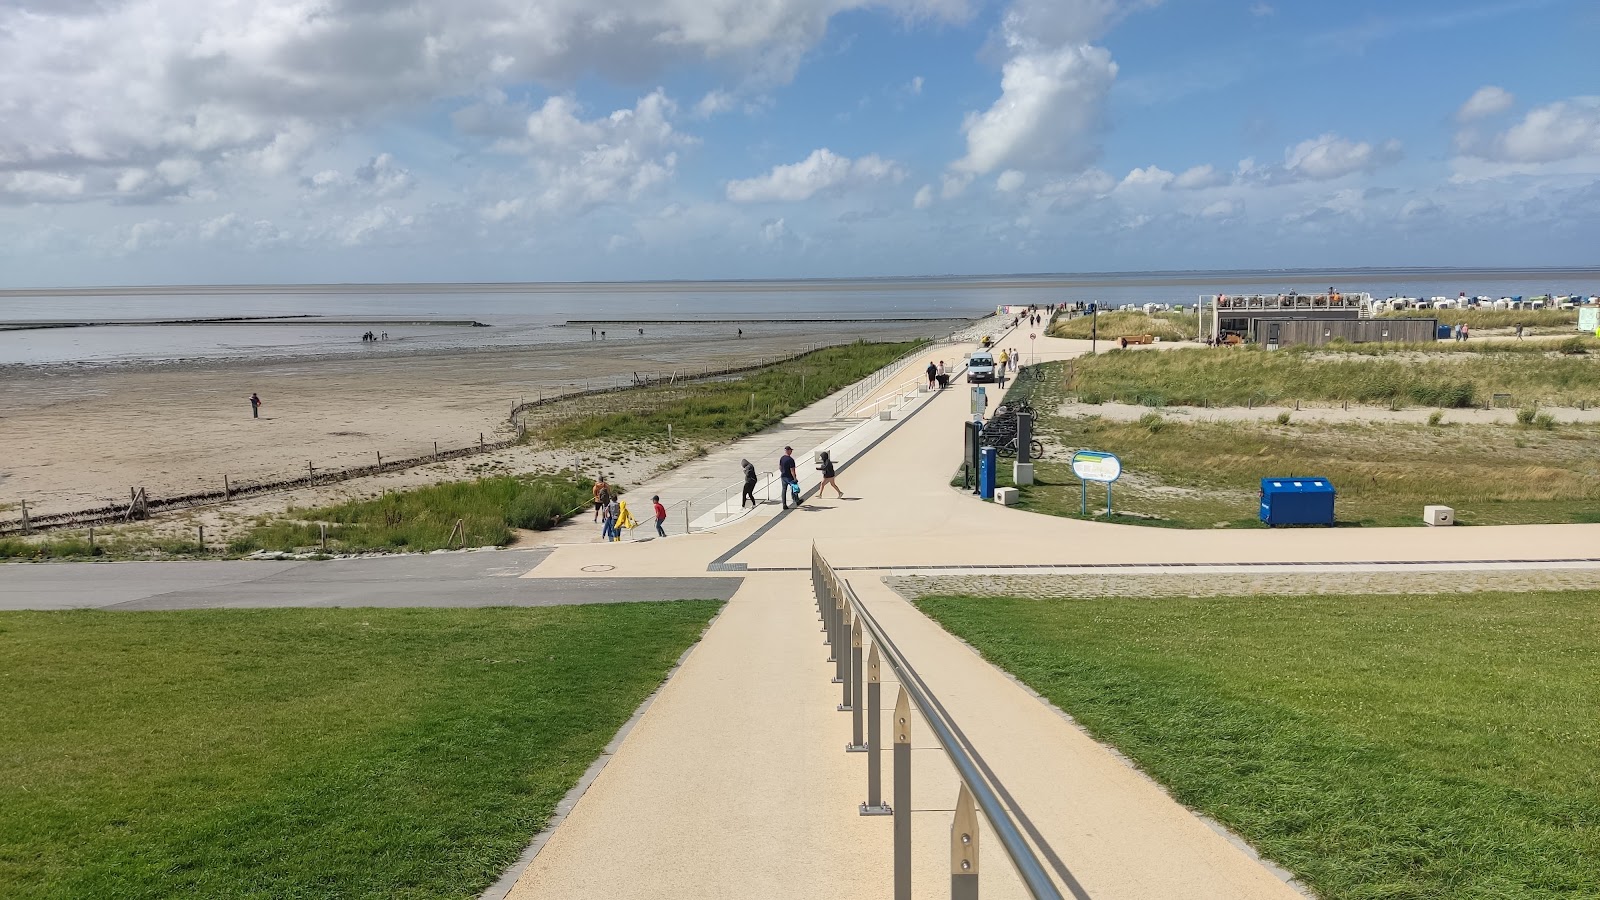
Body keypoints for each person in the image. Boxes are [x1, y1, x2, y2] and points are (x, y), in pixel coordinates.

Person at [778, 445, 799, 509]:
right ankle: (796, 500)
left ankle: (784, 504)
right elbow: (792, 470)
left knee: (784, 490)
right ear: (788, 451)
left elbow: (780, 467)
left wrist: (782, 472)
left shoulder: (782, 458)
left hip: (783, 476)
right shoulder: (791, 460)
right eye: (791, 450)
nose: (791, 451)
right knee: (794, 487)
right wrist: (795, 478)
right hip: (789, 477)